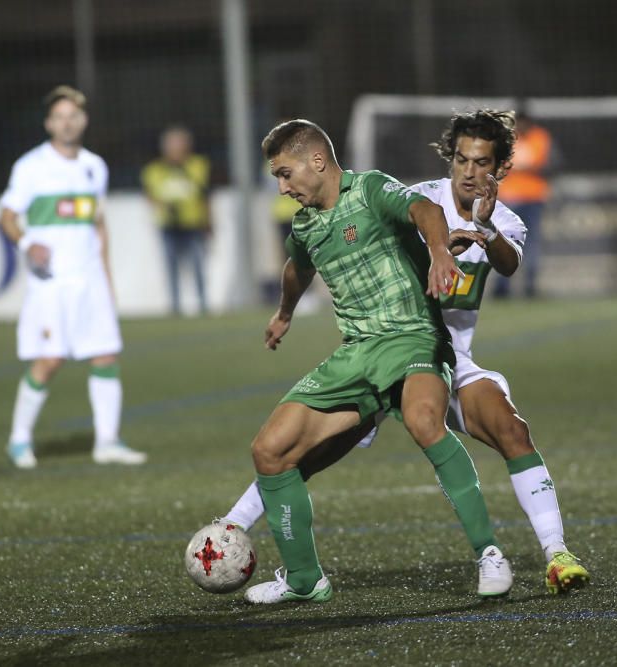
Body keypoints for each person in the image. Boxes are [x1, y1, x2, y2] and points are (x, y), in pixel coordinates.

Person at [221, 110, 590, 595]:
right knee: (303, 451)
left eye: (481, 163)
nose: (468, 171)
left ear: (498, 170)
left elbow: (510, 265)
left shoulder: (504, 220)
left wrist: (486, 229)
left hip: (444, 353)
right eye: (460, 159)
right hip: (379, 347)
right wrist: (286, 311)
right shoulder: (415, 195)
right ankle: (233, 531)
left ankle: (554, 553)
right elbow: (404, 217)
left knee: (508, 428)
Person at [0, 85, 147, 469]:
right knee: (49, 360)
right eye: (59, 116)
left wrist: (107, 279)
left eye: (73, 116)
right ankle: (18, 440)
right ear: (49, 123)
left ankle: (108, 442)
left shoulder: (95, 166)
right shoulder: (31, 166)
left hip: (90, 278)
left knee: (106, 355)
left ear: (83, 121)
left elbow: (98, 225)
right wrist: (28, 244)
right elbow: (7, 218)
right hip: (51, 282)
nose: (67, 123)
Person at [141, 126, 212, 315]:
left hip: (193, 223)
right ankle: (175, 307)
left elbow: (205, 196)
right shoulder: (154, 170)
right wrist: (162, 206)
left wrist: (208, 221)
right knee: (171, 267)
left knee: (198, 266)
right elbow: (149, 195)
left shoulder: (197, 165)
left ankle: (203, 305)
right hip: (168, 225)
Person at [495, 107, 557, 298]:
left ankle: (530, 286)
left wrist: (531, 167)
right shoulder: (506, 138)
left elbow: (552, 164)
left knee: (531, 243)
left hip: (533, 197)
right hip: (509, 198)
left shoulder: (540, 137)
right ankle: (502, 288)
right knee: (504, 243)